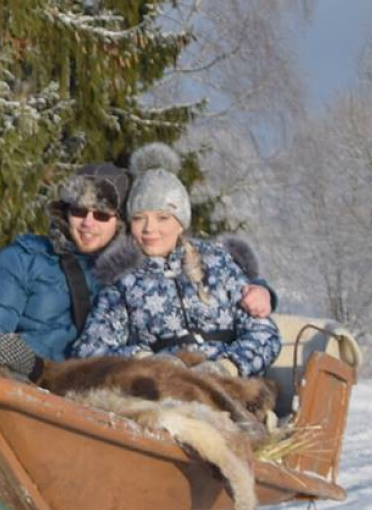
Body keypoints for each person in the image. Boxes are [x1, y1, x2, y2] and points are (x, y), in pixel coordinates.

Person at [72, 161, 292, 413]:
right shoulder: (123, 280)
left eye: (162, 218)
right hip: (164, 390)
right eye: (139, 218)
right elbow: (89, 349)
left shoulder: (218, 263)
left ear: (180, 222)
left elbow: (264, 333)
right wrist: (147, 361)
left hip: (231, 384)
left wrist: (228, 366)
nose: (149, 229)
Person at [0, 162, 141, 369]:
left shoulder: (133, 276)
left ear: (120, 222)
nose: (88, 223)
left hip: (101, 386)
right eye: (79, 211)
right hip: (26, 377)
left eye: (101, 215)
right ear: (66, 212)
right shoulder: (25, 258)